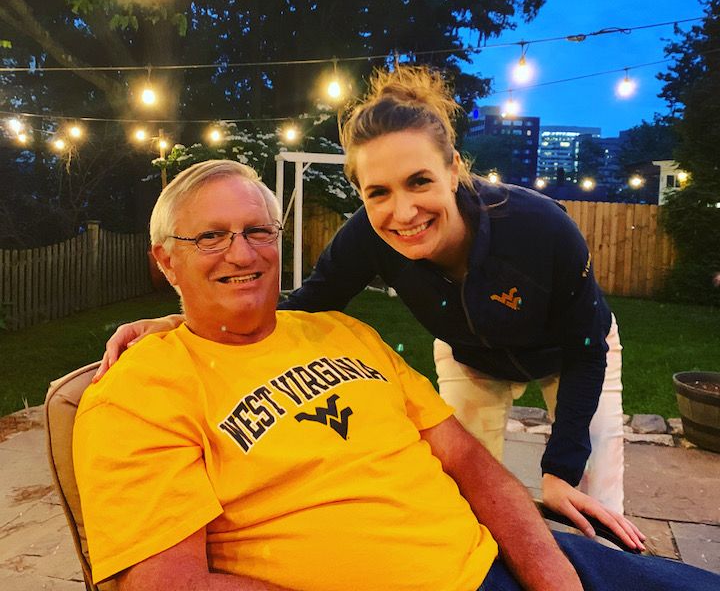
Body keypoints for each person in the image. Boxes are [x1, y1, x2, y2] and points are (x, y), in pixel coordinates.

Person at [74, 159, 719, 591]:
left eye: (257, 231)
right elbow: (166, 584)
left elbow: (468, 461)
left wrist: (551, 568)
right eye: (210, 238)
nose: (242, 253)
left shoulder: (347, 331)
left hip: (511, 541)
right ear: (166, 262)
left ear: (452, 173)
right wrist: (185, 324)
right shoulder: (140, 391)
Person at [100, 66, 625, 539]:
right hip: (470, 355)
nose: (403, 212)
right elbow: (306, 306)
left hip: (571, 352)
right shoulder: (368, 237)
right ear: (361, 193)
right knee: (469, 496)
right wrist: (185, 320)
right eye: (379, 192)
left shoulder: (540, 227)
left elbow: (585, 349)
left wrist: (560, 471)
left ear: (453, 169)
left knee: (593, 496)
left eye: (419, 181)